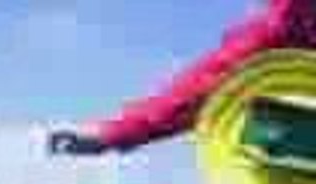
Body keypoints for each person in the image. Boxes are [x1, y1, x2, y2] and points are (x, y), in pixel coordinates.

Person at [48, 0, 316, 156]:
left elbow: (204, 89)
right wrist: (114, 133)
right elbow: (204, 89)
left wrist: (112, 134)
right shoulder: (285, 22)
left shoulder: (285, 24)